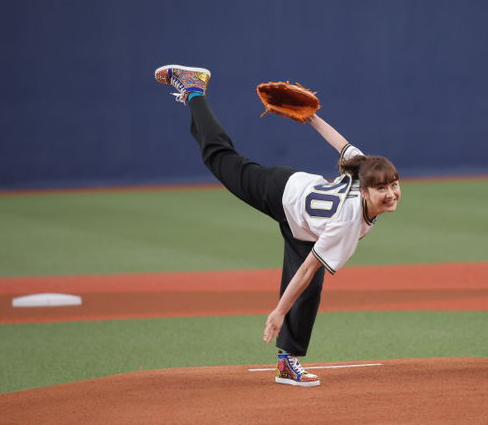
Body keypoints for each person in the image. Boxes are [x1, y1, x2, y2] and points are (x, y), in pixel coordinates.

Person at [154, 65, 401, 387]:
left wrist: (312, 118)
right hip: (280, 192)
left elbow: (342, 145)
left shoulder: (367, 170)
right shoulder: (349, 222)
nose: (390, 192)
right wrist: (279, 311)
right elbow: (307, 268)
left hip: (306, 226)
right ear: (366, 192)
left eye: (394, 185)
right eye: (382, 188)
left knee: (310, 288)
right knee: (221, 158)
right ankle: (193, 89)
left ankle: (287, 363)